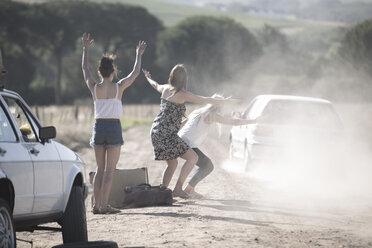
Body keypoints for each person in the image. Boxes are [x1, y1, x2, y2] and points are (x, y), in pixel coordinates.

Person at [142, 65, 238, 199]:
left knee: (172, 163)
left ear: (171, 76)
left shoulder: (165, 88)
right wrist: (224, 101)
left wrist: (148, 78)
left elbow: (155, 85)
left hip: (156, 130)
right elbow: (204, 99)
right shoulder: (182, 94)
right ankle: (178, 189)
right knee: (193, 157)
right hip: (167, 134)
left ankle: (161, 193)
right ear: (184, 80)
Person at [82, 33, 146, 214]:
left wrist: (85, 50)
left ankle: (95, 205)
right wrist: (138, 55)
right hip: (114, 128)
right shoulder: (119, 87)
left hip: (98, 127)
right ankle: (104, 205)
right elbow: (135, 73)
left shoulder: (94, 87)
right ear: (113, 71)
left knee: (99, 169)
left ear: (100, 72)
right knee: (110, 170)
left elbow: (85, 69)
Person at [178, 95, 258, 198]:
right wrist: (254, 121)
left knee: (206, 165)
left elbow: (180, 125)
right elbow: (234, 122)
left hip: (180, 141)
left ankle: (188, 189)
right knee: (208, 166)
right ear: (220, 107)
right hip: (187, 144)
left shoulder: (197, 112)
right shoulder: (211, 115)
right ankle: (188, 190)